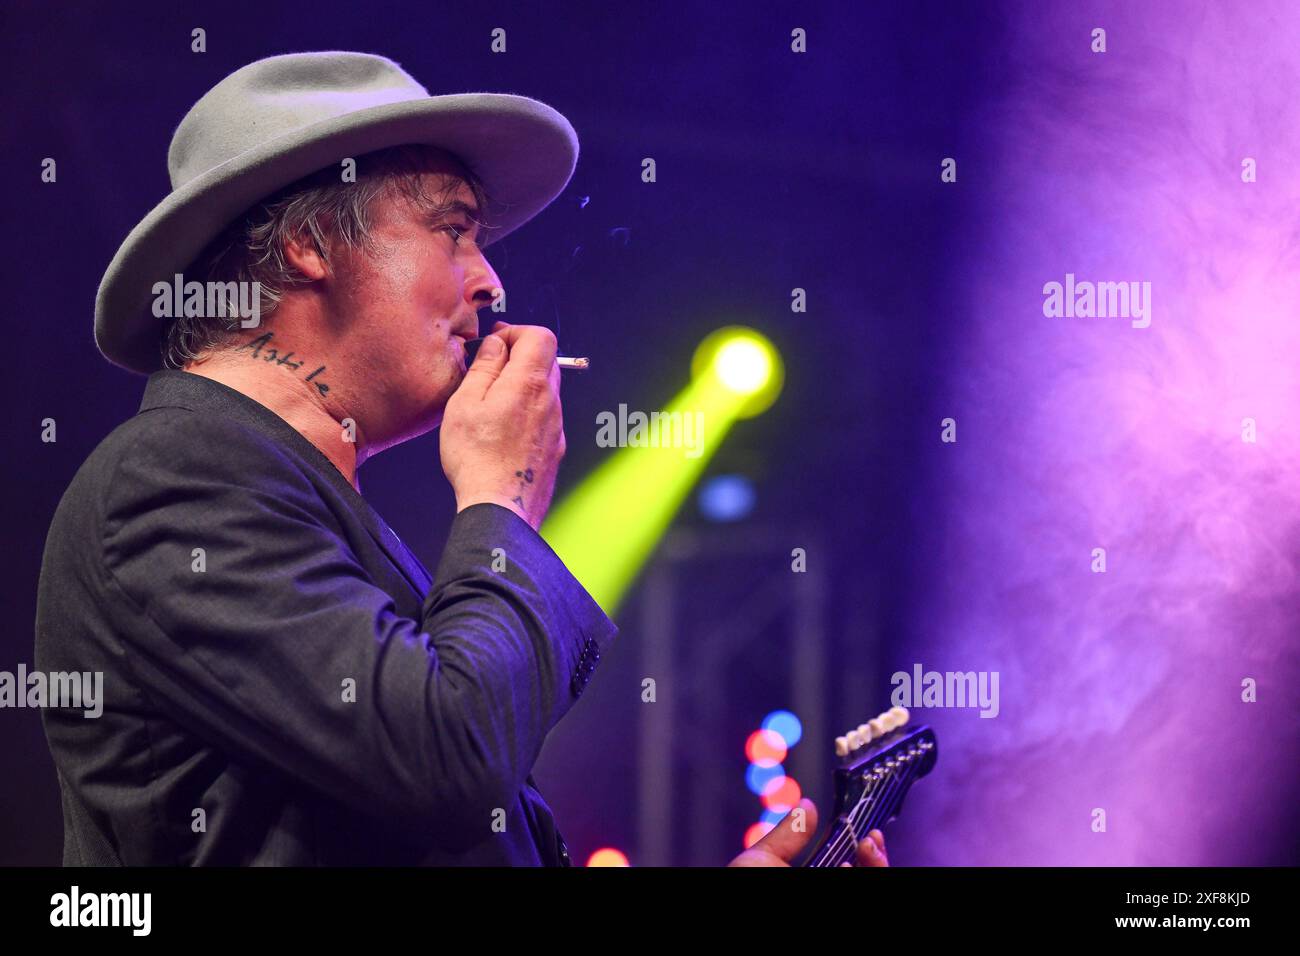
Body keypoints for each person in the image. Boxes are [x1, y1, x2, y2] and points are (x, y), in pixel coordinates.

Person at [34, 50, 886, 868]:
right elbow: (447, 755)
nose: (489, 284)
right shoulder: (177, 474)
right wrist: (502, 499)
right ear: (313, 245)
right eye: (454, 230)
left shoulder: (299, 506)